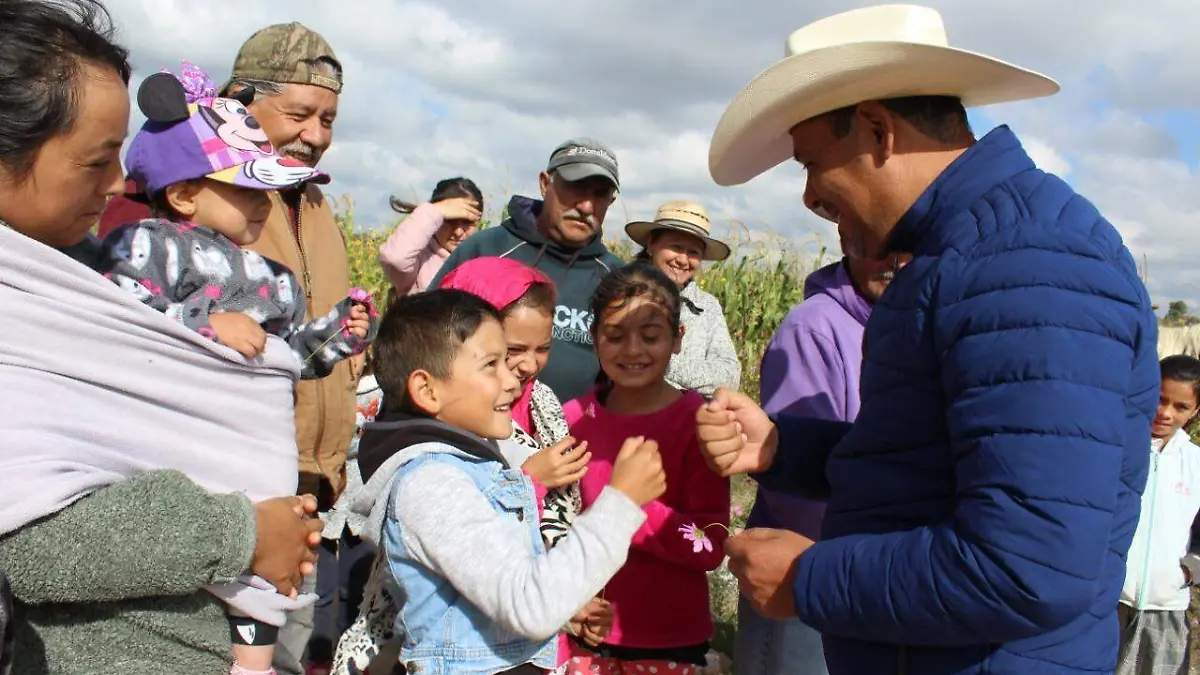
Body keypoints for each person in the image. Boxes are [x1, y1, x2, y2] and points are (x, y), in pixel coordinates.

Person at [699, 5, 1158, 675]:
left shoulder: (1026, 262)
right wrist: (782, 447)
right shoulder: (968, 255)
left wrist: (809, 578)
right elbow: (938, 460)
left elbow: (1028, 564)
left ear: (878, 130)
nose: (808, 195)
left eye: (812, 162)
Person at [0, 1, 322, 672]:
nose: (120, 182)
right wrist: (246, 530)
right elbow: (33, 543)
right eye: (95, 160)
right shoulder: (28, 310)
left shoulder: (81, 276)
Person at [98, 62, 380, 675]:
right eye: (247, 189)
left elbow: (289, 358)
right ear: (183, 193)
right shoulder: (149, 244)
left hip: (260, 456)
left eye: (268, 191)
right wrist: (202, 320)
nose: (264, 203)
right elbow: (118, 312)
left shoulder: (270, 278)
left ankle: (252, 665)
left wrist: (335, 335)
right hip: (181, 452)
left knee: (263, 576)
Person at [348, 289, 667, 674]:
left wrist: (562, 604)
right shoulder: (432, 482)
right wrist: (622, 503)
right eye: (491, 364)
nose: (513, 380)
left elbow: (493, 584)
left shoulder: (464, 466)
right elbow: (528, 604)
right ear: (427, 390)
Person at [736, 250, 905, 675]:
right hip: (805, 568)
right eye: (879, 249)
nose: (893, 263)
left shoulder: (910, 324)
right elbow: (797, 497)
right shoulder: (813, 329)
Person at [562, 262, 731, 675]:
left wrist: (631, 509)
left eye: (651, 336)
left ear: (678, 339)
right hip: (582, 633)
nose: (633, 350)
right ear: (595, 339)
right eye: (616, 336)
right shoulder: (571, 418)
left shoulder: (699, 423)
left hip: (670, 640)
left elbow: (709, 542)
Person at [430, 138, 625, 403]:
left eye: (599, 194)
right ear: (545, 184)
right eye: (576, 188)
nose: (586, 206)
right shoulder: (487, 248)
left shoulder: (617, 278)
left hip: (574, 437)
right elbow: (428, 335)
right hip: (477, 426)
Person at [1118, 355, 1200, 675]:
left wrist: (1189, 569)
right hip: (1108, 602)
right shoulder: (1120, 448)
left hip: (1166, 610)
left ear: (1195, 411)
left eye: (1180, 407)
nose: (1165, 413)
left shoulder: (1195, 463)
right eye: (1159, 399)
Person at [626, 200, 740, 397]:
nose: (683, 260)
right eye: (676, 247)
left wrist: (659, 362)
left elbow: (729, 377)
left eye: (693, 252)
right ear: (652, 244)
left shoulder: (707, 306)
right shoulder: (623, 293)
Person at [380, 178, 484, 295]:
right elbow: (395, 258)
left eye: (467, 222)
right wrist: (435, 209)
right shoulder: (419, 260)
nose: (458, 232)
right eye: (449, 221)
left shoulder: (487, 262)